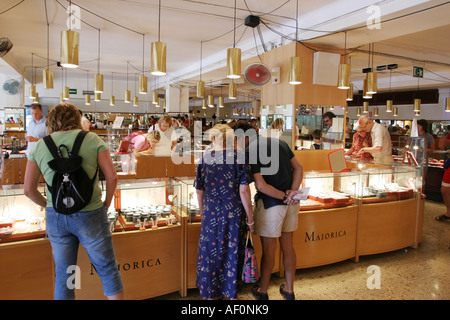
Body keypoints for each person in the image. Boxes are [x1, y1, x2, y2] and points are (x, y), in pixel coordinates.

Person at [23, 103, 123, 300]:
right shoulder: (92, 139)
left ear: (51, 121)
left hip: (57, 217)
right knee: (107, 269)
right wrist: (106, 204)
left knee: (66, 273)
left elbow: (28, 190)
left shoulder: (41, 145)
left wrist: (48, 205)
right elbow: (112, 177)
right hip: (91, 214)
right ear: (76, 119)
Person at [243, 125, 303, 300]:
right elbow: (299, 167)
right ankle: (289, 290)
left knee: (269, 250)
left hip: (270, 205)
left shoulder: (249, 151)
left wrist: (284, 196)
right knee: (288, 247)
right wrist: (292, 193)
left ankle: (263, 291)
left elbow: (261, 186)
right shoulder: (281, 143)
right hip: (291, 204)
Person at [194, 124, 253, 300]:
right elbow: (244, 191)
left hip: (211, 211)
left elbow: (199, 190)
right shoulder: (240, 157)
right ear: (233, 139)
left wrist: (203, 212)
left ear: (214, 139)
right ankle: (231, 293)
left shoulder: (205, 158)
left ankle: (210, 294)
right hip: (233, 212)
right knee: (232, 250)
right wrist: (250, 219)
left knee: (210, 252)